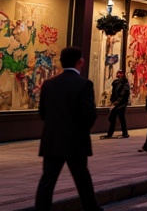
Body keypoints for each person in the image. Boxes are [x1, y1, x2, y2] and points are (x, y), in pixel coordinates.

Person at [34, 47, 102, 211]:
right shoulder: (84, 84)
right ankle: (91, 208)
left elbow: (43, 113)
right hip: (76, 140)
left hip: (52, 139)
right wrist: (82, 130)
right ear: (80, 62)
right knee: (82, 178)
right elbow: (89, 114)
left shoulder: (48, 84)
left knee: (48, 180)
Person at [101, 69, 130, 139]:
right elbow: (115, 93)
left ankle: (114, 134)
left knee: (115, 118)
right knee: (118, 118)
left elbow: (123, 94)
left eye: (119, 73)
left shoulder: (124, 83)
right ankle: (124, 133)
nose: (117, 74)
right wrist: (112, 100)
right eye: (117, 73)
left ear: (122, 74)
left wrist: (116, 102)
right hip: (117, 103)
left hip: (121, 104)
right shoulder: (116, 82)